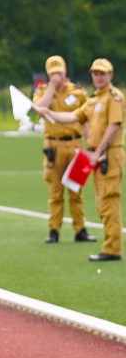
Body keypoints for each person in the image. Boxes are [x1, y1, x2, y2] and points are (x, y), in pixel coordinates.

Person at [38, 58, 124, 262]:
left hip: (107, 154)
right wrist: (49, 112)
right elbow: (72, 117)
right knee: (102, 202)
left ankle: (112, 248)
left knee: (109, 201)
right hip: (95, 154)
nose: (98, 77)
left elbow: (114, 126)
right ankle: (108, 245)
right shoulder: (94, 100)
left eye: (102, 73)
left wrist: (97, 151)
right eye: (95, 73)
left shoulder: (114, 98)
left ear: (110, 75)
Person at [32, 56, 95, 244]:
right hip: (53, 145)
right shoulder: (43, 92)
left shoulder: (78, 92)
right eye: (53, 73)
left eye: (59, 72)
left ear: (65, 70)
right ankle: (54, 229)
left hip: (75, 145)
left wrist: (90, 144)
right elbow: (39, 107)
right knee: (55, 191)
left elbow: (86, 120)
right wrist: (51, 86)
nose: (57, 76)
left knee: (76, 189)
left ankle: (80, 229)